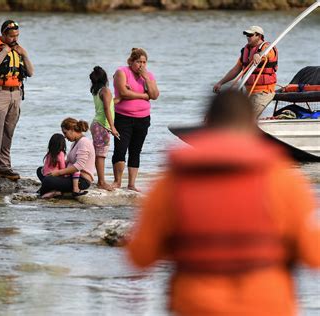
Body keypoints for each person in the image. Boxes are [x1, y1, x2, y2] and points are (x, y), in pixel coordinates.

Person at [127, 90, 320, 315]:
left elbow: (140, 256)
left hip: (198, 305)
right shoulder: (283, 180)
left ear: (208, 126)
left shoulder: (172, 182)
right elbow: (313, 255)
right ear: (251, 125)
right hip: (265, 305)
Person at [0, 19, 34, 183]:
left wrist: (24, 54)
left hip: (16, 94)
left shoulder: (18, 50)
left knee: (9, 131)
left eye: (17, 35)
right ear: (3, 34)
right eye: (12, 36)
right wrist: (4, 51)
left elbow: (31, 72)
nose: (15, 39)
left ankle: (4, 166)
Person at [112, 48, 159, 192]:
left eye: (144, 62)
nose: (142, 65)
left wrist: (147, 79)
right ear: (131, 61)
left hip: (142, 118)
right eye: (139, 62)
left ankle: (131, 184)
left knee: (135, 151)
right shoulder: (122, 72)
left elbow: (155, 95)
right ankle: (117, 182)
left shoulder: (148, 75)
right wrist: (145, 96)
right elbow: (124, 93)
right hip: (123, 117)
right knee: (120, 149)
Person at [213, 26, 278, 117]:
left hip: (263, 92)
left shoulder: (267, 47)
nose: (248, 37)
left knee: (246, 118)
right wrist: (220, 83)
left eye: (250, 35)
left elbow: (267, 54)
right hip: (248, 92)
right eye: (246, 35)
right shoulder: (245, 51)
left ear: (259, 36)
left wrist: (258, 55)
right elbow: (235, 70)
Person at [37, 118, 95, 198]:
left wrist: (58, 173)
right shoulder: (75, 143)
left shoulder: (84, 142)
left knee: (48, 180)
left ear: (71, 130)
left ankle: (51, 191)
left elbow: (79, 165)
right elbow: (67, 162)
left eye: (65, 133)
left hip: (81, 180)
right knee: (40, 170)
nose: (64, 136)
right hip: (71, 176)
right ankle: (56, 190)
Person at [89, 66, 119, 191]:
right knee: (101, 155)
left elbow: (110, 104)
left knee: (99, 153)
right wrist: (113, 127)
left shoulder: (97, 91)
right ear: (105, 78)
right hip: (102, 125)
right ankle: (101, 182)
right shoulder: (105, 91)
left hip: (96, 124)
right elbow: (107, 109)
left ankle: (100, 181)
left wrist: (122, 96)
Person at [36, 133, 87, 198]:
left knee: (39, 169)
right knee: (76, 170)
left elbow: (46, 167)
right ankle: (73, 189)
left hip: (46, 176)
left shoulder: (49, 153)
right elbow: (62, 168)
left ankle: (48, 189)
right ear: (62, 144)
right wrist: (69, 173)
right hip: (55, 177)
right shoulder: (60, 153)